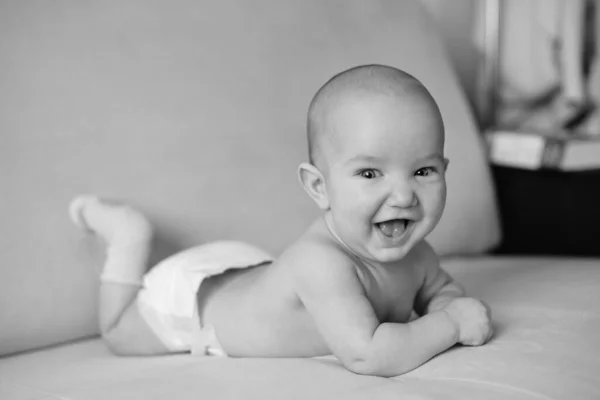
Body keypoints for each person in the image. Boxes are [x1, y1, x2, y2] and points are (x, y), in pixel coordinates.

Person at [69, 64, 493, 377]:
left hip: (251, 272)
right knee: (118, 332)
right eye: (369, 173)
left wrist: (450, 307)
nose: (403, 196)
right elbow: (369, 354)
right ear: (319, 187)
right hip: (195, 307)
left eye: (423, 171)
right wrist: (453, 323)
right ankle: (127, 237)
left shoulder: (418, 254)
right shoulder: (322, 263)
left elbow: (444, 293)